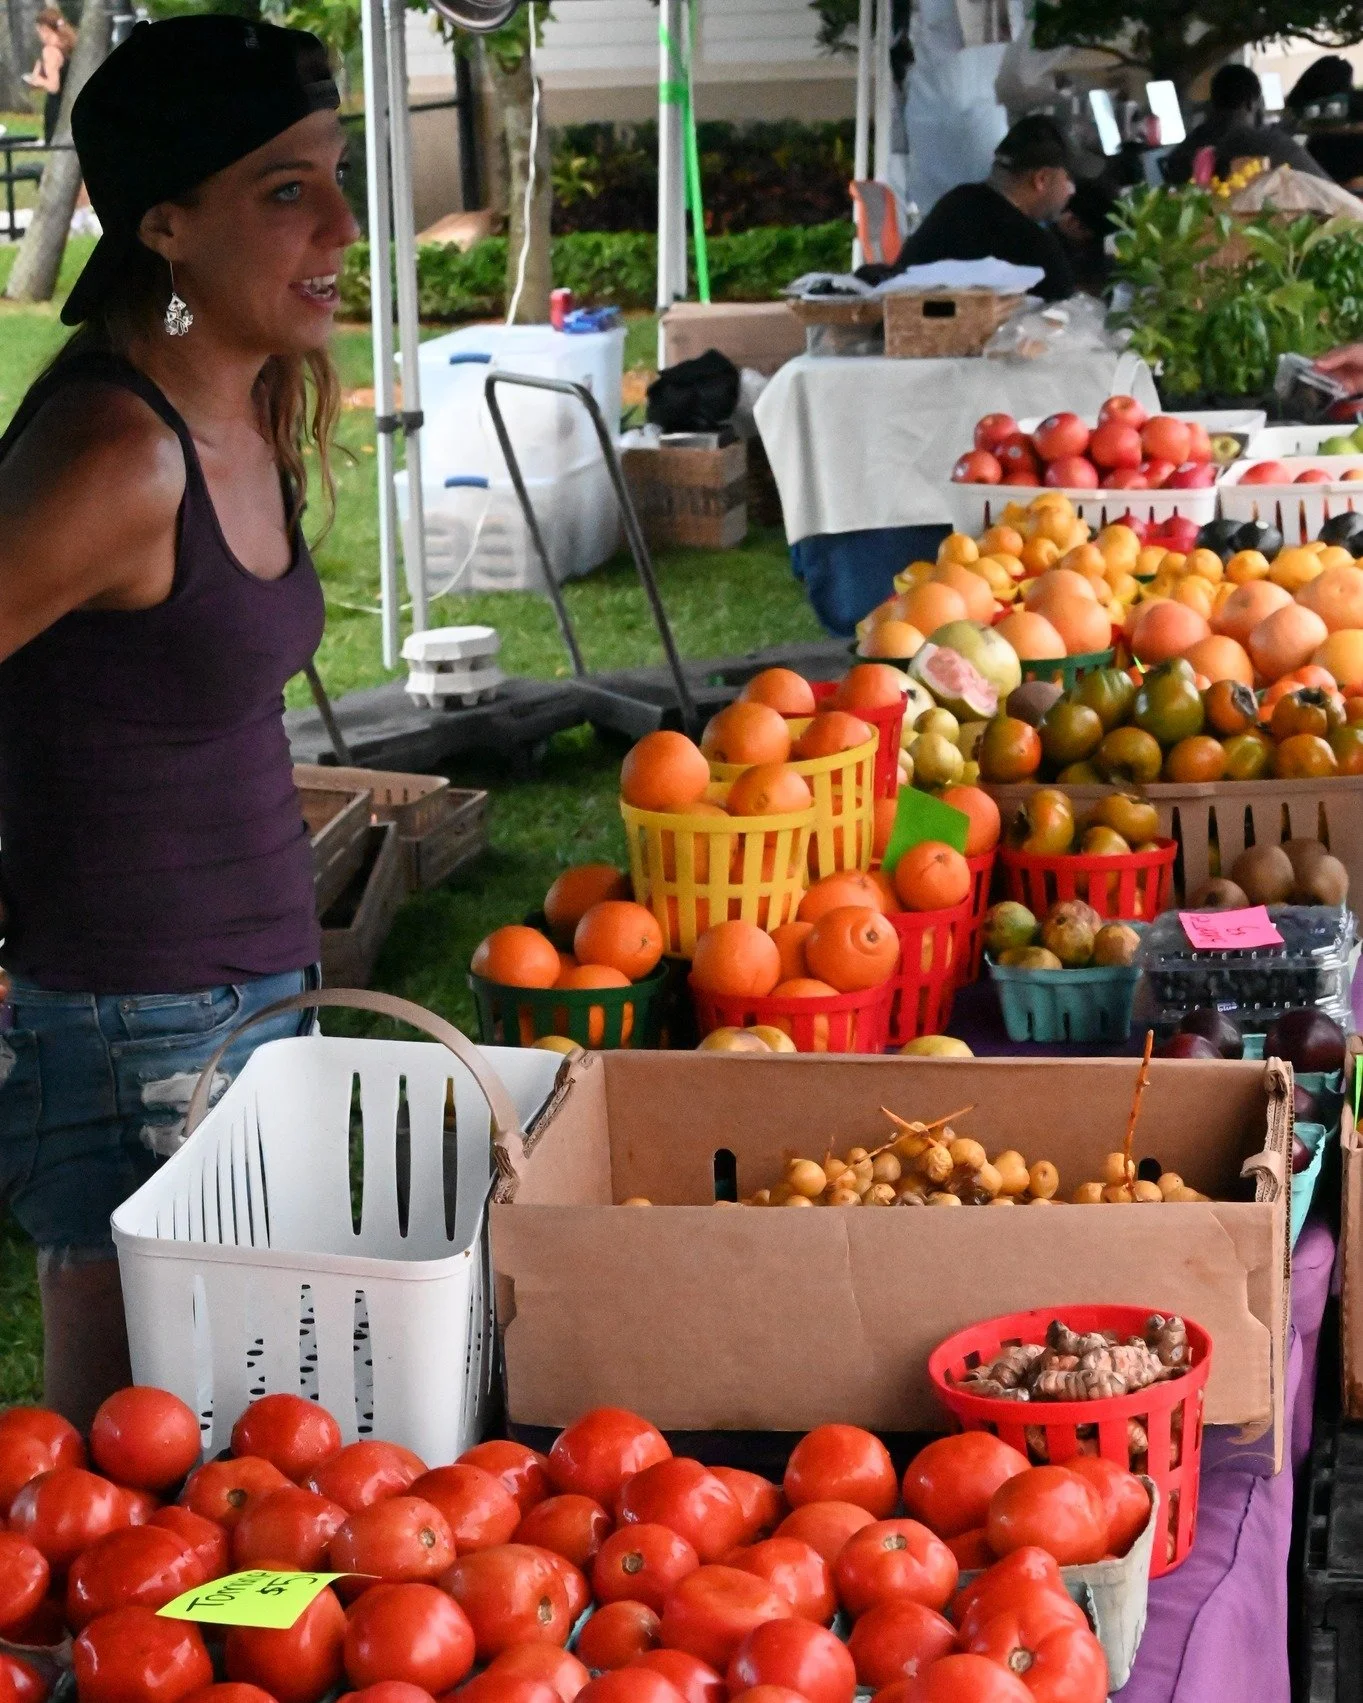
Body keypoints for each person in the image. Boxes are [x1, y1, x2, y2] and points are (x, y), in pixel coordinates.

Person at [0, 14, 359, 1427]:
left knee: (239, 1467)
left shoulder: (248, 395)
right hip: (125, 1032)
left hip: (253, 989)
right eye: (286, 190)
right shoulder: (117, 454)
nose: (340, 224)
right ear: (164, 225)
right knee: (121, 1489)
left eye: (336, 173)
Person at [879, 114, 1077, 303]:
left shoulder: (956, 202)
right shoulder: (1037, 250)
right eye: (1069, 179)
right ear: (1041, 179)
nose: (1072, 191)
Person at [1163, 63, 1328, 185]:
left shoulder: (1185, 149)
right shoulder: (1271, 145)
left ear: (1214, 102)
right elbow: (1327, 189)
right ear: (1250, 103)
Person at [22, 7, 77, 146]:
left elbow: (53, 86)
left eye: (39, 31)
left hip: (56, 106)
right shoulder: (68, 47)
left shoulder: (50, 51)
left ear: (44, 29)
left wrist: (38, 80)